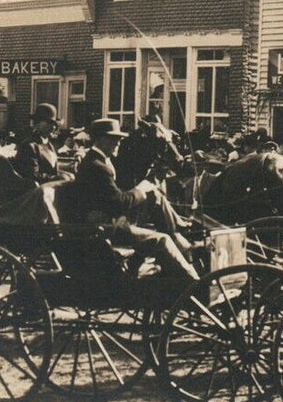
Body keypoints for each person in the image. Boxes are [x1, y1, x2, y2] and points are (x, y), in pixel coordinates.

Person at [61, 118, 198, 284]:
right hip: (105, 228)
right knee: (162, 240)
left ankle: (177, 234)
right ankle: (195, 284)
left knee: (154, 195)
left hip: (109, 221)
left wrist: (144, 190)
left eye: (119, 139)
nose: (118, 143)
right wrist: (141, 189)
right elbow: (118, 203)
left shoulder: (100, 162)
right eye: (115, 139)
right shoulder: (97, 166)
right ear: (102, 140)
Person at [12, 103, 63, 185]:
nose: (53, 127)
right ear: (37, 123)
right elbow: (32, 176)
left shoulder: (49, 144)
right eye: (48, 123)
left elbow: (53, 169)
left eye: (54, 124)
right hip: (34, 189)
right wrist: (57, 178)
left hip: (50, 187)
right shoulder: (29, 146)